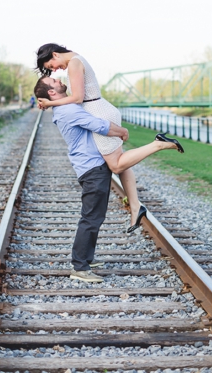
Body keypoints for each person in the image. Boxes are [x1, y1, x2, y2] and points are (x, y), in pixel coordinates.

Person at [38, 77, 181, 282]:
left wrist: (46, 102)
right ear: (52, 92)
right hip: (92, 168)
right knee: (91, 218)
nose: (59, 79)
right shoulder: (68, 111)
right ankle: (80, 267)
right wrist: (122, 131)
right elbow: (99, 125)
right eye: (54, 81)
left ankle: (86, 258)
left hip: (92, 166)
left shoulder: (64, 107)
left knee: (95, 216)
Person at [35, 44, 183, 231]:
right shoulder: (77, 60)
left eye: (52, 65)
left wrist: (51, 102)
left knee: (116, 164)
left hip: (98, 113)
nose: (55, 70)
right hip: (101, 109)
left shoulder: (73, 64)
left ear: (55, 54)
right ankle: (136, 207)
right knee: (122, 163)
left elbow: (78, 98)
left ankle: (158, 144)